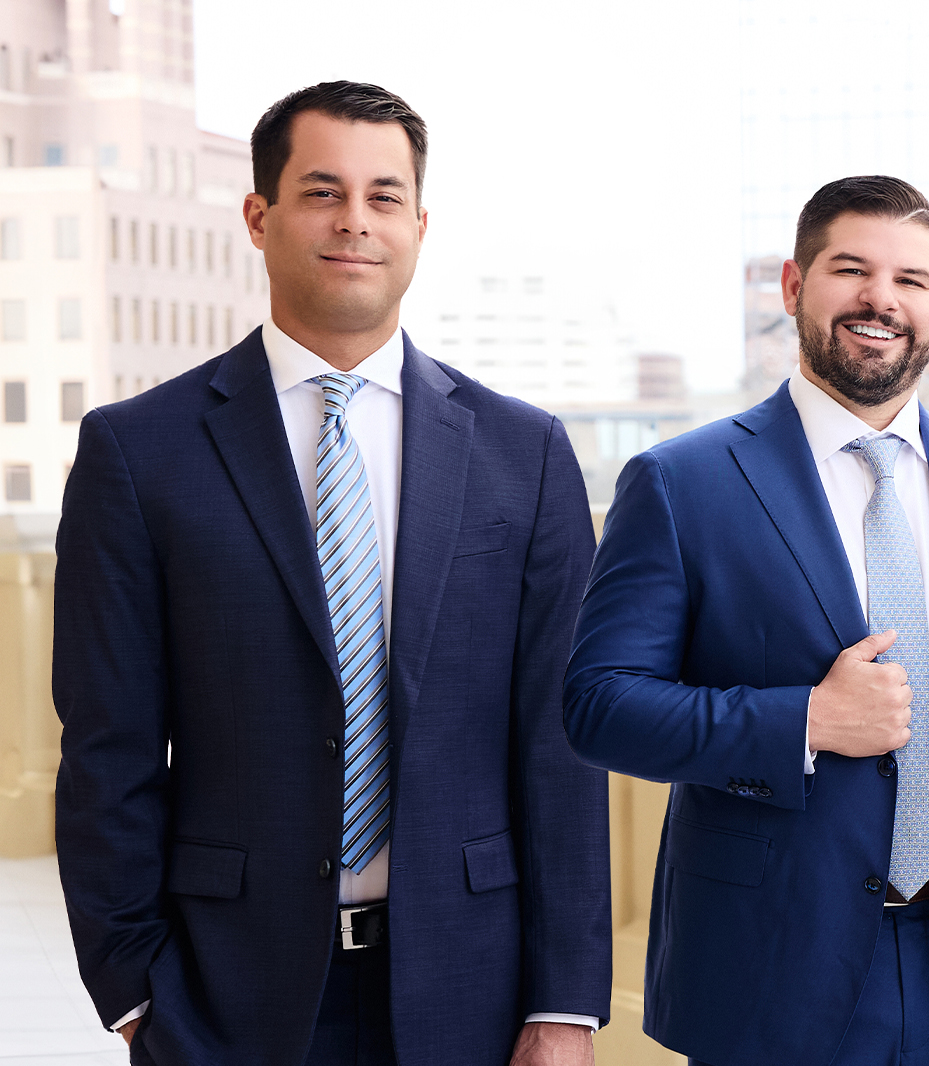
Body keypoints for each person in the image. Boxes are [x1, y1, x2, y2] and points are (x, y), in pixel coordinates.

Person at [52, 81, 610, 1066]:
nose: (356, 220)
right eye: (322, 192)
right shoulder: (139, 452)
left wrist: (565, 1001)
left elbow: (558, 746)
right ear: (258, 217)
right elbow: (109, 744)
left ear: (419, 227)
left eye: (384, 196)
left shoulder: (523, 453)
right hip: (226, 993)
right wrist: (133, 987)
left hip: (471, 988)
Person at [562, 175, 929, 1066]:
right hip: (768, 964)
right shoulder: (682, 484)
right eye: (851, 270)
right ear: (795, 286)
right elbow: (600, 705)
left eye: (911, 279)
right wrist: (805, 721)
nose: (881, 299)